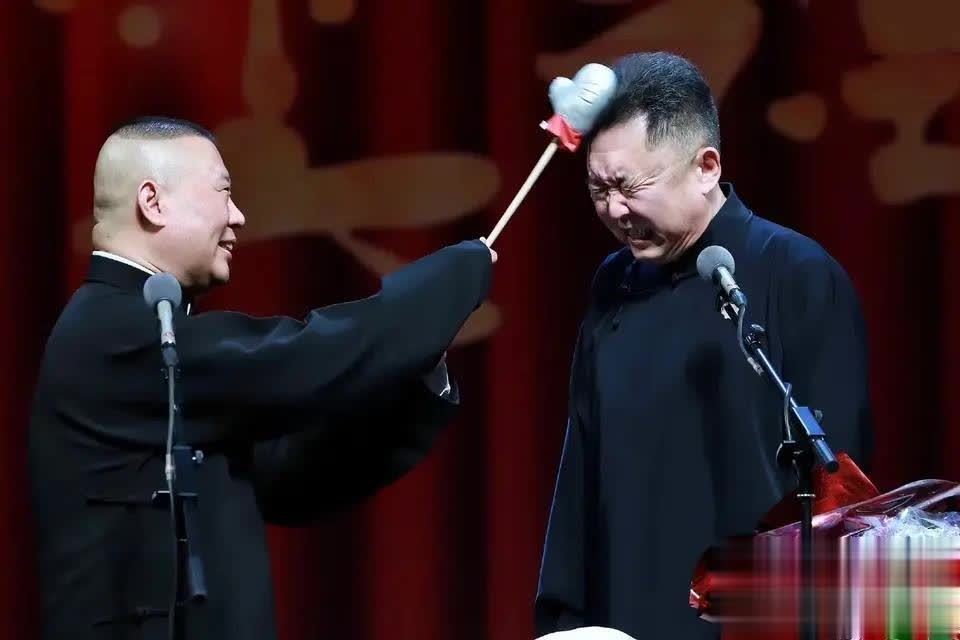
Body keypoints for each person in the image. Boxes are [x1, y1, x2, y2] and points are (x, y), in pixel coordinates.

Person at [28, 116, 495, 640]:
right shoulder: (110, 333)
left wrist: (415, 372)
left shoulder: (149, 337)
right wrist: (452, 281)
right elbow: (300, 357)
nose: (238, 216)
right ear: (153, 202)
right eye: (223, 192)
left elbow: (292, 478)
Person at [534, 52, 873, 640]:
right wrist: (566, 621)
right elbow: (581, 474)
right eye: (598, 189)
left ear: (706, 167)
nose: (614, 209)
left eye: (629, 186)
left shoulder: (794, 273)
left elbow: (843, 493)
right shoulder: (614, 287)